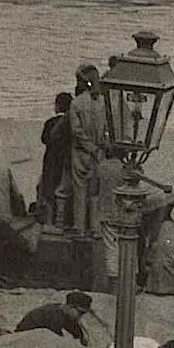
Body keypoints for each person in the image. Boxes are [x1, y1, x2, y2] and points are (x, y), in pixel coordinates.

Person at [0, 134, 38, 282]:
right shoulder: (4, 168)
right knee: (27, 237)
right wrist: (25, 215)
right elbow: (16, 196)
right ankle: (11, 275)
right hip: (2, 221)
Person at [68, 64, 108, 237]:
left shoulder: (76, 103)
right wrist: (98, 147)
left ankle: (80, 227)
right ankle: (95, 227)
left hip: (80, 152)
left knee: (80, 191)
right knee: (95, 192)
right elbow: (108, 129)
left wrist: (88, 145)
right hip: (98, 151)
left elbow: (76, 131)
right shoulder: (103, 103)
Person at [39, 91, 75, 228]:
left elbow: (44, 139)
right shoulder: (71, 124)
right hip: (66, 159)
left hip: (51, 159)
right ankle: (63, 220)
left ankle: (49, 221)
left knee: (49, 188)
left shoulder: (50, 123)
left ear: (58, 106)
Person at [15, 290, 95, 344]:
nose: (80, 316)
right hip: (25, 336)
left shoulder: (64, 312)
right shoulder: (55, 315)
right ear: (70, 307)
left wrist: (81, 337)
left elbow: (73, 327)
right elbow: (55, 337)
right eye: (80, 313)